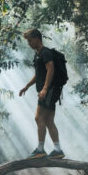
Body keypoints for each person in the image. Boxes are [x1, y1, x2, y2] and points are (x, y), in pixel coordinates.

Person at [18, 28, 65, 159]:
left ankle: (40, 149)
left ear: (37, 38)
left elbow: (51, 69)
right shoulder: (38, 54)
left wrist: (45, 89)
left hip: (49, 90)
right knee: (48, 120)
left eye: (30, 40)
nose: (29, 43)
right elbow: (39, 74)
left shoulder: (46, 53)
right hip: (50, 90)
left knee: (38, 118)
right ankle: (58, 150)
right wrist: (27, 86)